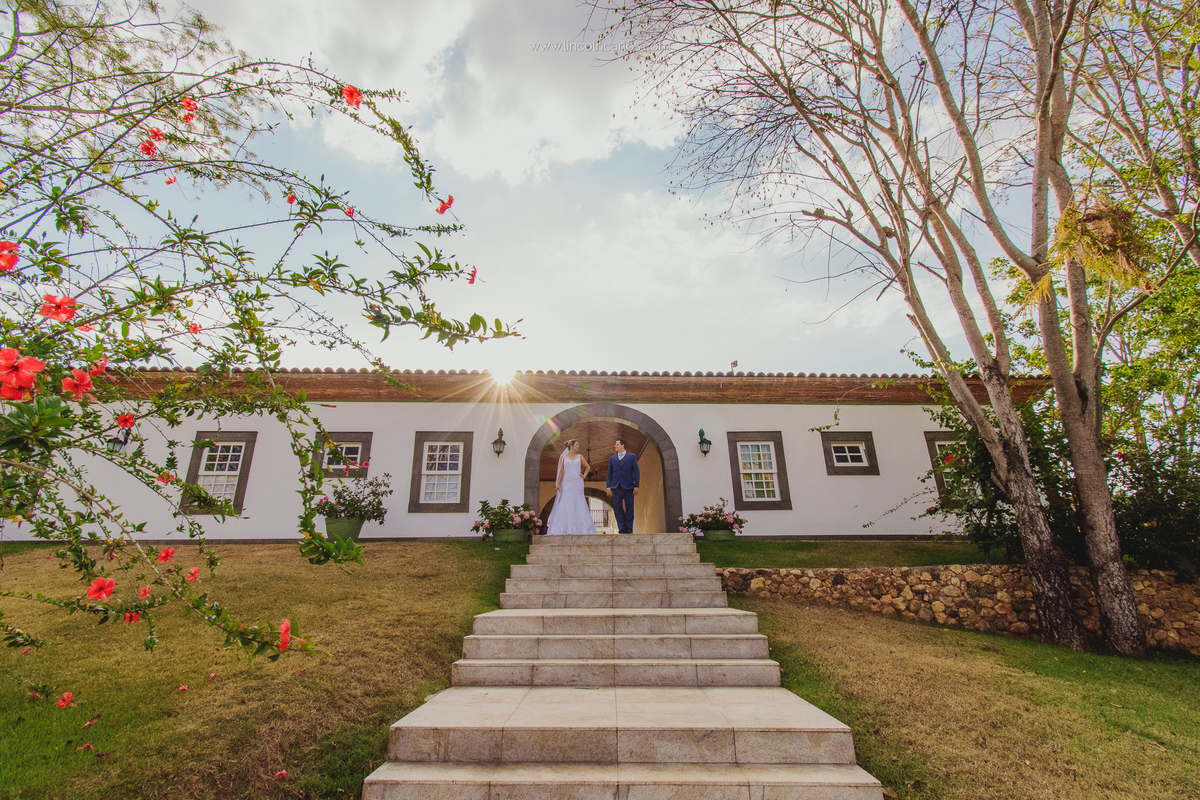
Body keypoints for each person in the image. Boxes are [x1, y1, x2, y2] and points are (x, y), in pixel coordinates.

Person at [545, 439, 595, 536]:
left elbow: (588, 467)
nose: (578, 446)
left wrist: (584, 476)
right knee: (566, 502)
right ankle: (565, 528)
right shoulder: (563, 457)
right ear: (571, 446)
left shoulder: (580, 457)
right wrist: (558, 483)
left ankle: (581, 528)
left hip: (577, 483)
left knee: (578, 502)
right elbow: (560, 470)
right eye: (577, 444)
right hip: (566, 483)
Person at [605, 438, 639, 534]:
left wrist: (636, 485)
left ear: (622, 445)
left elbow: (636, 472)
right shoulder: (612, 458)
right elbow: (609, 473)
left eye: (617, 444)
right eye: (615, 445)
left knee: (629, 508)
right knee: (617, 509)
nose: (615, 446)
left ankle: (628, 528)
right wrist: (608, 487)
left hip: (629, 487)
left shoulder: (632, 457)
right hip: (616, 487)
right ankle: (621, 528)